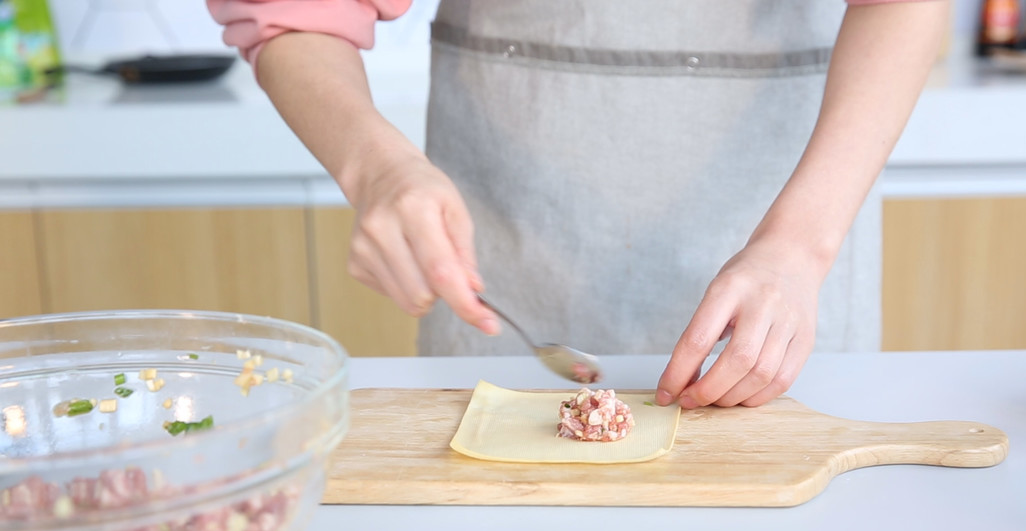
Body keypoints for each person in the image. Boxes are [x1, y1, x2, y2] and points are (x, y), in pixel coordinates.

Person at [207, 0, 947, 408]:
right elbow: (297, 12)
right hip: (508, 250)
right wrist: (376, 168)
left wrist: (799, 246)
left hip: (788, 229)